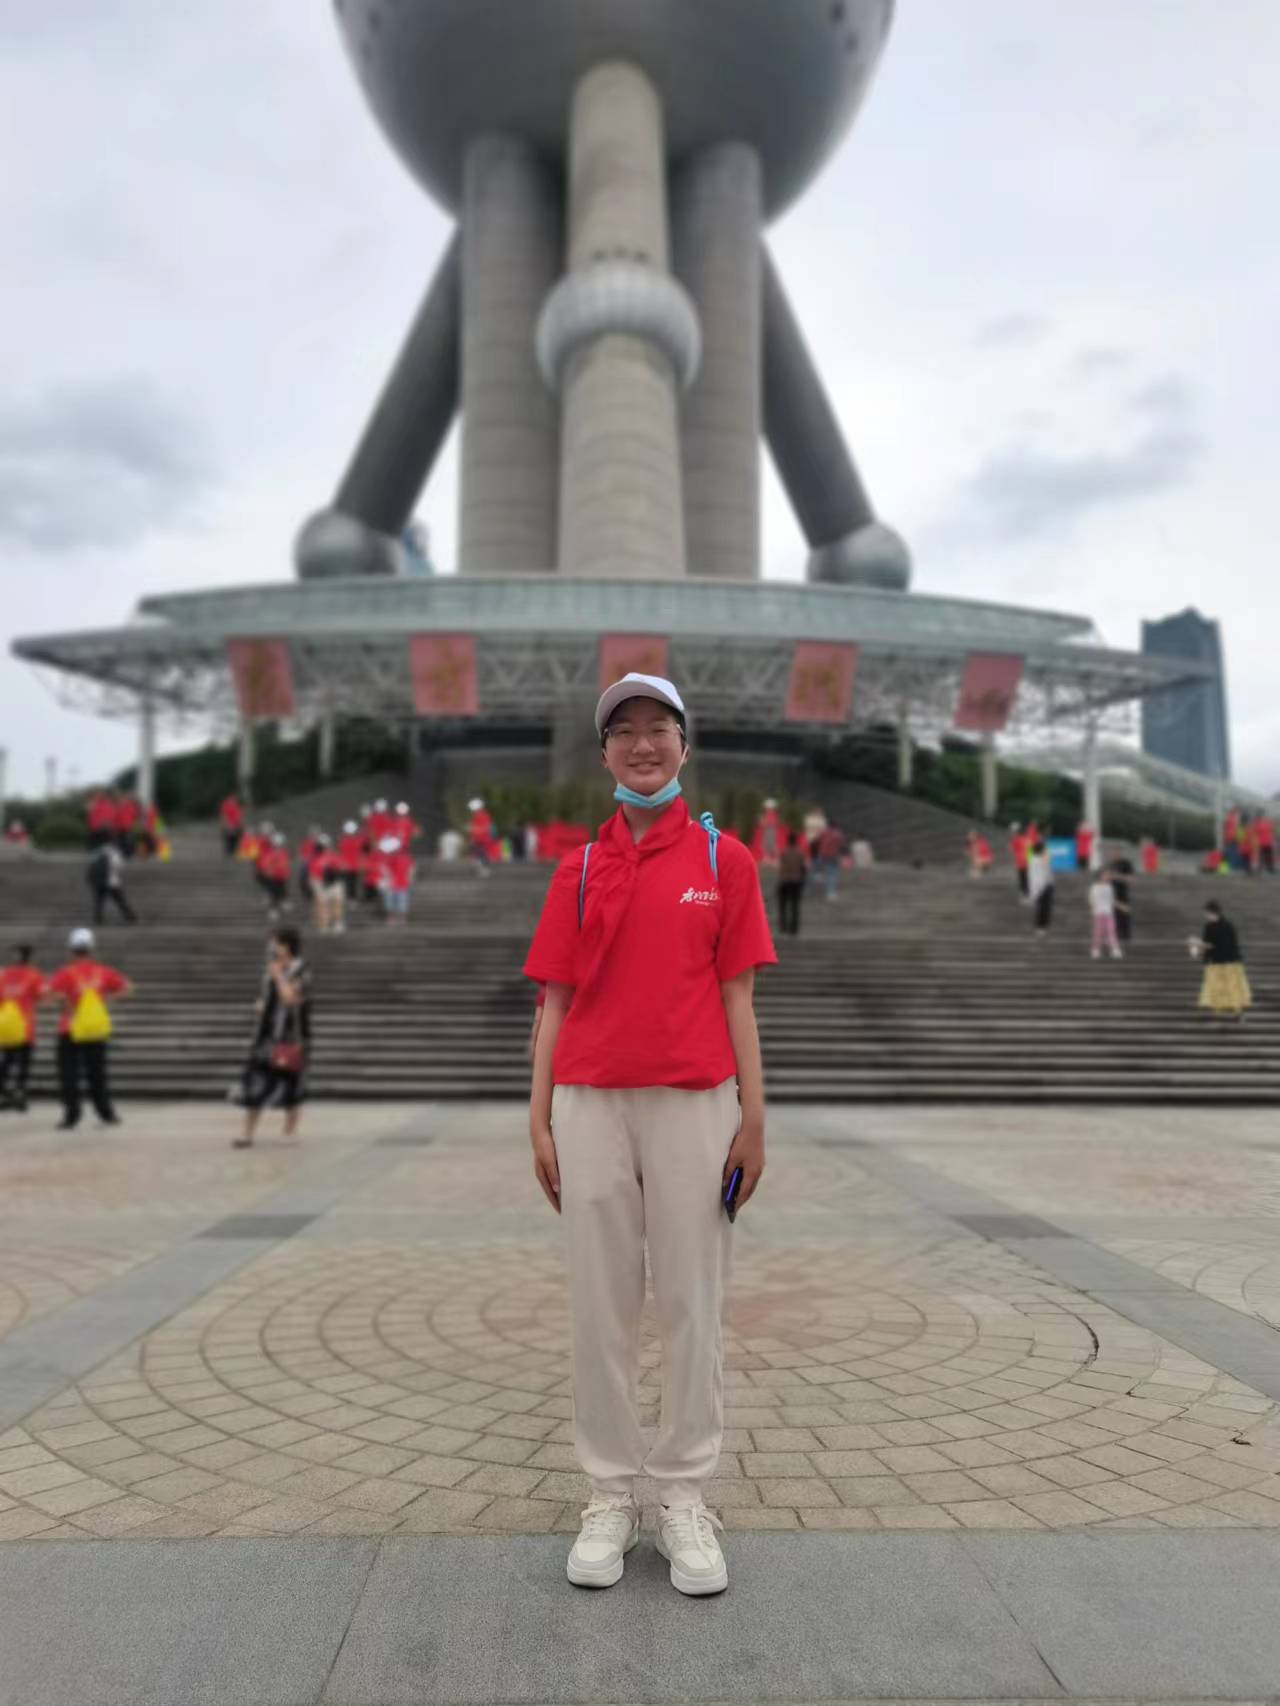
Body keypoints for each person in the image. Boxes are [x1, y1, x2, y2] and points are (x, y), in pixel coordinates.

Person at [525, 672, 775, 1599]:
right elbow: (553, 1003)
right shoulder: (579, 868)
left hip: (695, 1104)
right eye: (623, 730)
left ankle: (682, 1495)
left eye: (657, 727)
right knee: (600, 1306)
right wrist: (538, 1117)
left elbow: (738, 996)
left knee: (691, 1303)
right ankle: (608, 1494)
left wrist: (753, 1117)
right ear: (604, 755)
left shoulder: (723, 861)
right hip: (590, 1103)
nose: (642, 743)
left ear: (683, 745)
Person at [232, 926, 312, 1147]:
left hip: (291, 1038)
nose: (272, 947)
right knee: (255, 1083)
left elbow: (290, 998)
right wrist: (261, 1004)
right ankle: (246, 1134)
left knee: (292, 1084)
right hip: (266, 1037)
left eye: (276, 943)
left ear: (287, 946)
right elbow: (267, 997)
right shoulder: (272, 968)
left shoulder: (302, 970)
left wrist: (278, 976)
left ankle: (289, 1133)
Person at [47, 928, 130, 1130]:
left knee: (69, 1074)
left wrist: (66, 1003)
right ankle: (106, 1114)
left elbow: (51, 993)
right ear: (91, 949)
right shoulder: (103, 971)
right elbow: (126, 988)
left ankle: (71, 1116)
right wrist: (104, 1001)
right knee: (97, 1074)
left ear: (71, 950)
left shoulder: (66, 973)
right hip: (94, 1030)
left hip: (69, 1029)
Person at [0, 945, 44, 1112]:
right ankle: (19, 1094)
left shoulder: (4, 974)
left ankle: (6, 1094)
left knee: (7, 1061)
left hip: (7, 1025)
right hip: (25, 1026)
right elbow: (39, 996)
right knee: (23, 1063)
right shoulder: (34, 975)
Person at [1190, 901, 1251, 1022]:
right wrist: (1198, 947)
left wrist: (1196, 943)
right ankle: (1233, 1012)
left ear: (1211, 912)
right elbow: (1212, 945)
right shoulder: (1227, 925)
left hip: (1222, 963)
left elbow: (1211, 945)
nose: (1205, 915)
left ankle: (1230, 1013)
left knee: (1222, 988)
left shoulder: (1214, 927)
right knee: (1229, 988)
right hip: (1229, 962)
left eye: (1206, 913)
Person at [86, 841, 138, 926]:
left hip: (99, 882)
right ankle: (130, 917)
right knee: (120, 900)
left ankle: (98, 918)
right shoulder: (114, 853)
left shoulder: (99, 852)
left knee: (99, 901)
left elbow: (91, 864)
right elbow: (119, 867)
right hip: (112, 882)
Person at [776, 830, 807, 937]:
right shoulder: (800, 853)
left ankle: (783, 926)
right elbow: (803, 868)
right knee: (795, 906)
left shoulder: (784, 852)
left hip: (784, 881)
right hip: (796, 881)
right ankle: (794, 927)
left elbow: (781, 866)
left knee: (783, 905)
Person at [1088, 870, 1122, 960]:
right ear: (1100, 876)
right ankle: (1095, 949)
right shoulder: (1094, 887)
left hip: (1108, 912)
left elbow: (1112, 900)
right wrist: (1092, 908)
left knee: (1111, 930)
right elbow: (1091, 899)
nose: (1107, 876)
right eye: (1105, 875)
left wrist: (1121, 906)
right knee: (1098, 931)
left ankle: (1115, 949)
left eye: (1108, 875)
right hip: (1098, 912)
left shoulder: (1109, 887)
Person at [382, 837, 414, 926]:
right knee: (394, 902)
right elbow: (386, 870)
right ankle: (396, 918)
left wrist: (410, 878)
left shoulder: (405, 858)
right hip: (395, 884)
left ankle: (398, 918)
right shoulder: (392, 858)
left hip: (400, 883)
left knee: (399, 902)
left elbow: (410, 870)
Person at [812, 822, 844, 902]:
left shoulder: (823, 833)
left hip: (822, 855)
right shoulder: (838, 834)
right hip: (833, 856)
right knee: (832, 874)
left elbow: (816, 841)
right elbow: (841, 844)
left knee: (818, 867)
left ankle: (818, 876)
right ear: (836, 826)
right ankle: (831, 893)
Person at [1028, 838, 1054, 937]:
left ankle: (1043, 926)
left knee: (1046, 907)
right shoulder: (1035, 860)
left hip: (1047, 884)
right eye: (1044, 849)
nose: (1046, 851)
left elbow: (1047, 868)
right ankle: (1040, 927)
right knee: (1042, 908)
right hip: (1040, 886)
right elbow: (1039, 873)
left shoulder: (1039, 859)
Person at [1109, 857, 1135, 946]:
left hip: (1123, 895)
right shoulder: (1109, 865)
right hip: (1111, 895)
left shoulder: (1126, 864)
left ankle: (1126, 939)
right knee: (1113, 920)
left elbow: (1131, 879)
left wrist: (1117, 876)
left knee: (1124, 918)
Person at [1009, 822, 1030, 900]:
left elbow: (1012, 849)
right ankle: (1026, 894)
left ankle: (1024, 894)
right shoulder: (1026, 839)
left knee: (1023, 879)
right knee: (1026, 879)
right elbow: (1030, 851)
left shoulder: (1016, 839)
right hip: (1027, 862)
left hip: (1021, 862)